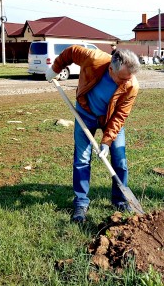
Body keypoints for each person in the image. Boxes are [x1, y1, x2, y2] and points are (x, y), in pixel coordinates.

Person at [45, 47, 140, 222]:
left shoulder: (131, 85)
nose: (126, 82)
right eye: (123, 78)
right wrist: (54, 69)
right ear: (111, 69)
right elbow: (70, 52)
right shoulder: (93, 58)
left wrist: (107, 140)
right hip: (85, 114)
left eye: (129, 78)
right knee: (82, 159)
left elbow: (120, 116)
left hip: (111, 120)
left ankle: (120, 200)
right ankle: (81, 202)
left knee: (120, 159)